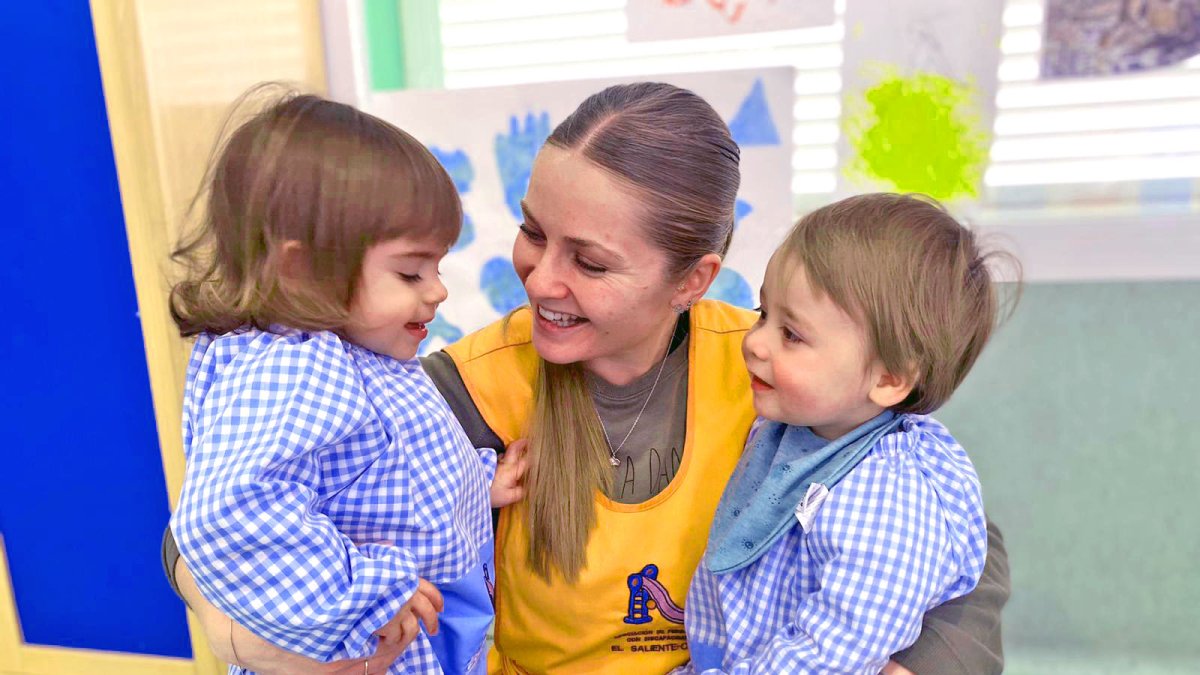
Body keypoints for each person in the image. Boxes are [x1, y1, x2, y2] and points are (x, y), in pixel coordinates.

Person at [167, 82, 1011, 674]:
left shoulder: (768, 372)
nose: (538, 280)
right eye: (535, 233)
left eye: (591, 261)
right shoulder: (463, 386)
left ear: (693, 278)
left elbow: (942, 530)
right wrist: (246, 640)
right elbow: (213, 521)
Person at [167, 89, 525, 675]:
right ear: (301, 268)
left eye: (436, 267)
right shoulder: (295, 369)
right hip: (363, 645)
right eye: (410, 271)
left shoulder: (355, 351)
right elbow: (234, 514)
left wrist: (478, 488)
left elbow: (388, 476)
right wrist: (361, 593)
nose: (436, 290)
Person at [677, 193, 1016, 674]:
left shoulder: (890, 495)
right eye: (762, 314)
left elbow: (834, 649)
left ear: (890, 378)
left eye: (791, 334)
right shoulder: (800, 427)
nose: (754, 342)